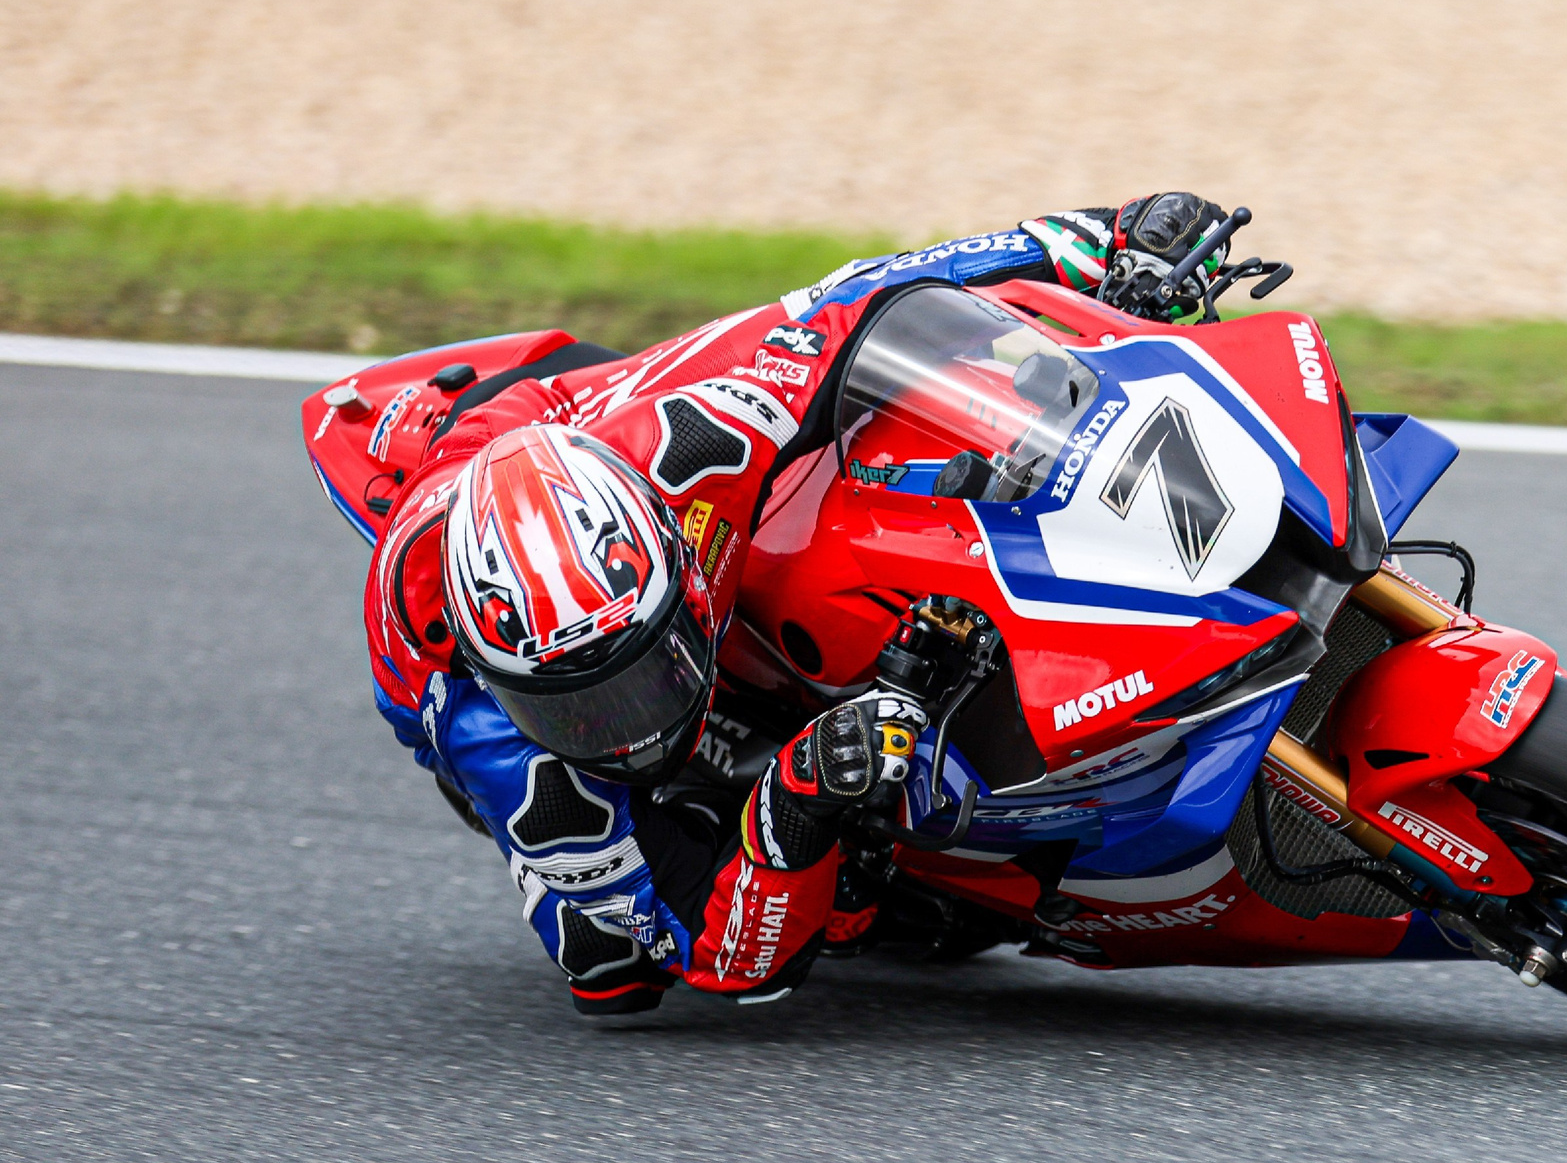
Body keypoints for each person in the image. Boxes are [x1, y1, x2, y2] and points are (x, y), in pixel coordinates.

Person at [360, 193, 1232, 1014]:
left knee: (884, 458)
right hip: (475, 557)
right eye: (585, 709)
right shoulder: (486, 726)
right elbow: (712, 956)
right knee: (613, 969)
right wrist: (796, 796)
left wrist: (1102, 238)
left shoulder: (707, 434)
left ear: (672, 549)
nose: (629, 725)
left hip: (571, 413)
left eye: (644, 678)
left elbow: (857, 297)